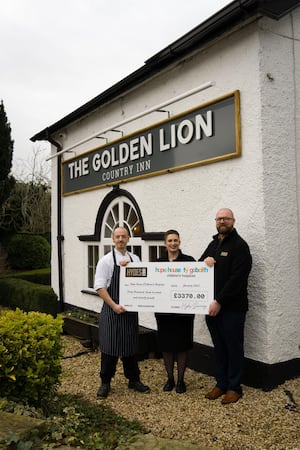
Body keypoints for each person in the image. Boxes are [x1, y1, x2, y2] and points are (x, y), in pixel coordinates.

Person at [199, 208, 252, 404]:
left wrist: (219, 301)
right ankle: (221, 384)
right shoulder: (213, 244)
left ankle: (234, 387)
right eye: (219, 218)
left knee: (233, 347)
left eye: (226, 218)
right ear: (215, 222)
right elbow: (198, 268)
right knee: (219, 347)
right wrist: (205, 262)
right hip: (211, 308)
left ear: (233, 221)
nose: (222, 221)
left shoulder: (240, 246)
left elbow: (237, 279)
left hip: (232, 309)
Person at [94, 227, 150, 398]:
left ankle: (134, 380)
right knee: (109, 348)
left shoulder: (135, 258)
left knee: (130, 348)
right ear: (113, 239)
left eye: (123, 236)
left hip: (130, 312)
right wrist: (114, 305)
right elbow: (99, 287)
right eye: (117, 237)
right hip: (111, 311)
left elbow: (142, 282)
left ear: (128, 238)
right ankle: (105, 382)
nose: (120, 239)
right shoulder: (106, 261)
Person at [155, 229, 195, 394]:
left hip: (184, 313)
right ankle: (170, 379)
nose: (173, 243)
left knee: (182, 346)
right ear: (165, 243)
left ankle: (181, 381)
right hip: (164, 313)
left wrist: (207, 264)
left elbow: (199, 280)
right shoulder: (157, 263)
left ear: (179, 242)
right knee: (167, 346)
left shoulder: (189, 261)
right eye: (170, 241)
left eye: (175, 240)